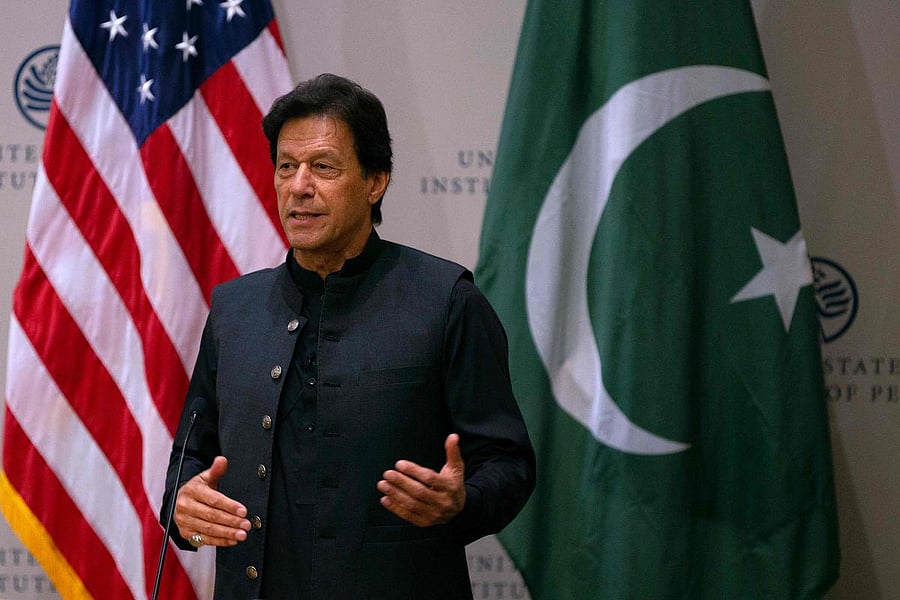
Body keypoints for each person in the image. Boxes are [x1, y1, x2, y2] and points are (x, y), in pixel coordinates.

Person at [160, 73, 536, 599]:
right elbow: (188, 466)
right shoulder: (233, 310)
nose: (299, 186)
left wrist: (462, 503)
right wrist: (187, 514)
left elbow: (508, 463)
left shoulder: (447, 301)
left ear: (375, 180)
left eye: (323, 167)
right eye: (286, 166)